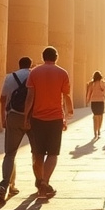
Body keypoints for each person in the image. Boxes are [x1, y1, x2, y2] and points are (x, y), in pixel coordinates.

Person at [23, 46, 72, 199]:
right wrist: (68, 113)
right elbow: (65, 95)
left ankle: (40, 182)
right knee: (52, 153)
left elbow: (30, 96)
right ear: (56, 57)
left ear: (43, 57)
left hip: (37, 118)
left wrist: (25, 117)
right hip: (55, 118)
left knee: (37, 153)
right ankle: (45, 182)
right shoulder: (63, 73)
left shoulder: (34, 72)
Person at [0, 56, 32, 203]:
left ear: (19, 64)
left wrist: (3, 119)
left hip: (13, 116)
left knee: (10, 154)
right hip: (31, 118)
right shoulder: (34, 75)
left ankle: (5, 185)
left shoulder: (10, 77)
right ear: (30, 65)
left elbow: (2, 99)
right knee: (37, 153)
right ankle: (41, 184)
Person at [86, 71, 105, 138]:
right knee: (100, 116)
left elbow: (89, 93)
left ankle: (95, 131)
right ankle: (99, 130)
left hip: (94, 102)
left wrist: (87, 100)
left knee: (95, 117)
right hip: (100, 101)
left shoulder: (92, 84)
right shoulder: (102, 83)